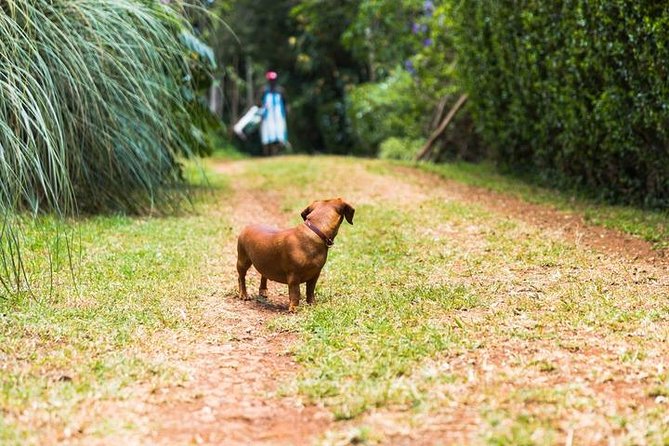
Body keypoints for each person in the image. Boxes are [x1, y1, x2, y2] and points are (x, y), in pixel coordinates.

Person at [258, 71, 288, 156]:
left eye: (273, 80)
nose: (272, 81)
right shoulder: (264, 90)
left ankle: (277, 153)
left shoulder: (281, 91)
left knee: (279, 134)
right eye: (271, 80)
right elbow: (259, 102)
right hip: (267, 116)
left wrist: (286, 112)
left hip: (279, 115)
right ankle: (267, 154)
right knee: (267, 134)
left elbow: (285, 102)